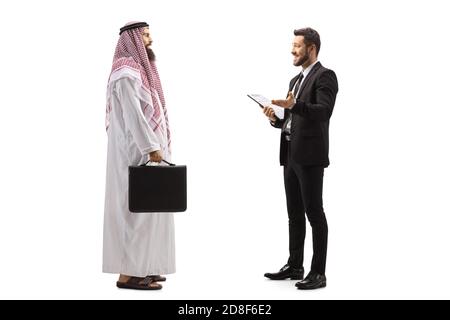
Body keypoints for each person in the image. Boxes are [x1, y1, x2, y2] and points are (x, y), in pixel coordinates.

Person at [262, 27, 338, 290]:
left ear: (311, 48)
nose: (292, 50)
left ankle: (319, 272)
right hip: (290, 153)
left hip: (310, 157)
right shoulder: (295, 80)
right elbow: (292, 119)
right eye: (292, 46)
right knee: (294, 214)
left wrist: (293, 106)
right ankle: (295, 265)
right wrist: (276, 118)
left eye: (297, 46)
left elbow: (323, 111)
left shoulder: (325, 76)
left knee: (314, 213)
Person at [103, 21, 175, 290]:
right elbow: (134, 116)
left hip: (147, 153)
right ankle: (128, 274)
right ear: (131, 38)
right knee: (135, 213)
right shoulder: (125, 74)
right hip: (135, 154)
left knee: (152, 211)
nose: (150, 40)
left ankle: (145, 266)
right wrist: (150, 147)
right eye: (145, 35)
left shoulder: (137, 72)